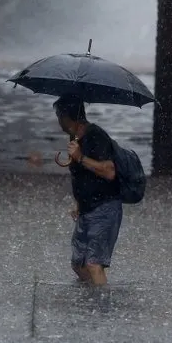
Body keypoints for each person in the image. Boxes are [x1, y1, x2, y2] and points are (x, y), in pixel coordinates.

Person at [53, 94, 123, 287]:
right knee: (78, 264)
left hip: (105, 208)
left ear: (66, 117)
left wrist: (80, 157)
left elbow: (109, 171)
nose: (57, 121)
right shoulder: (74, 137)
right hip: (86, 209)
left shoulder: (96, 136)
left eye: (58, 116)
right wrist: (78, 202)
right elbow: (83, 176)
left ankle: (102, 307)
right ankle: (90, 298)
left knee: (93, 263)